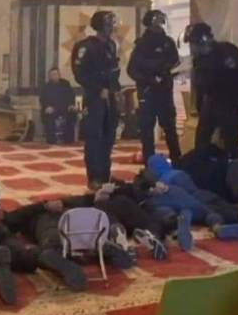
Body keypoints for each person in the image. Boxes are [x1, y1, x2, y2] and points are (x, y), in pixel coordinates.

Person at [184, 23, 238, 161]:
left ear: (203, 41)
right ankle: (204, 167)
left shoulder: (226, 52)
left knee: (231, 142)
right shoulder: (199, 60)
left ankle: (231, 168)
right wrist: (199, 106)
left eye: (192, 43)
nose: (191, 48)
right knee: (201, 142)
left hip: (229, 102)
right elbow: (200, 86)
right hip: (210, 102)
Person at [71, 11, 122, 190]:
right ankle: (93, 177)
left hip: (110, 97)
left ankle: (105, 175)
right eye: (108, 25)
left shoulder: (111, 45)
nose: (111, 29)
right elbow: (80, 73)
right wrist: (99, 88)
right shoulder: (85, 46)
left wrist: (116, 91)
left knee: (109, 137)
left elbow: (113, 71)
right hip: (94, 97)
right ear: (100, 26)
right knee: (94, 138)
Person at [127, 10, 181, 164]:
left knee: (170, 128)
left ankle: (177, 160)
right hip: (147, 91)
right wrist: (149, 79)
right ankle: (150, 162)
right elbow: (132, 69)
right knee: (146, 130)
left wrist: (167, 75)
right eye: (156, 22)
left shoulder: (168, 43)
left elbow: (176, 65)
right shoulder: (142, 45)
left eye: (161, 21)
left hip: (165, 91)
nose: (159, 25)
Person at [39, 67, 77, 144]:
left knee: (71, 113)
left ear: (59, 75)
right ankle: (52, 139)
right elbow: (43, 99)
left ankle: (68, 138)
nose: (54, 76)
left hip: (65, 108)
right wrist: (47, 107)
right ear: (49, 76)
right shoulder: (46, 87)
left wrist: (71, 104)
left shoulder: (65, 84)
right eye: (52, 74)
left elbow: (71, 95)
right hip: (52, 108)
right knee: (49, 115)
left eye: (56, 74)